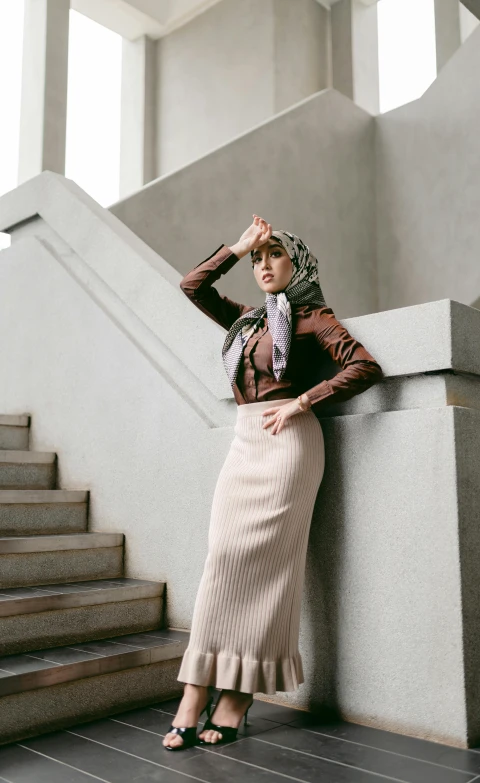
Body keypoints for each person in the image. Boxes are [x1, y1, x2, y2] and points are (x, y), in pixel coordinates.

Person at [163, 215, 384, 750]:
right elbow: (192, 285)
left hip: (289, 447)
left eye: (274, 256)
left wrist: (303, 402)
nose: (264, 266)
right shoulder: (248, 321)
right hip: (245, 445)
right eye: (259, 260)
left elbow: (364, 366)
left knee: (272, 572)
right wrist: (239, 247)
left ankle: (238, 697)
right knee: (223, 560)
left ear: (297, 263)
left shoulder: (314, 317)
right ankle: (194, 692)